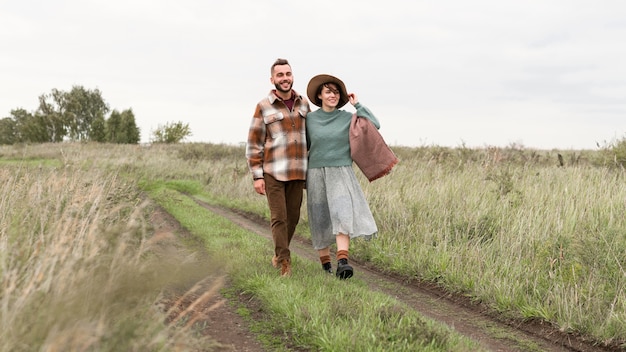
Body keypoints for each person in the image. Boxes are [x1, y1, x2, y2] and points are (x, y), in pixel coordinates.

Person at [305, 74, 379, 280]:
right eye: (328, 91)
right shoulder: (309, 119)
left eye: (336, 92)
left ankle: (343, 262)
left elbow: (374, 125)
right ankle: (326, 266)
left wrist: (358, 105)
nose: (333, 95)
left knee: (342, 214)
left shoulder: (348, 118)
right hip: (316, 173)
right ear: (319, 95)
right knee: (320, 219)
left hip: (341, 172)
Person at [245, 58, 310, 277]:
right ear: (273, 79)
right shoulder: (263, 106)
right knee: (279, 217)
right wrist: (257, 176)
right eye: (280, 75)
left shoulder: (304, 104)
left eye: (288, 74)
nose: (285, 78)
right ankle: (284, 262)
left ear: (292, 76)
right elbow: (254, 142)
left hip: (298, 171)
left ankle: (278, 254)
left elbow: (310, 139)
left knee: (293, 217)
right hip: (272, 171)